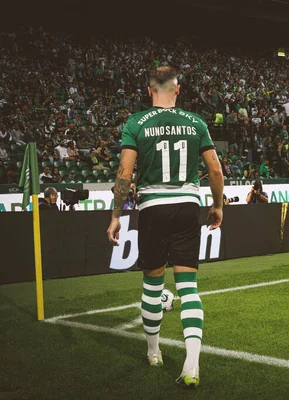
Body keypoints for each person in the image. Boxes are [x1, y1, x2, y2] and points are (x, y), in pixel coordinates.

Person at [106, 66, 224, 388]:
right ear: (178, 89)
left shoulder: (135, 123)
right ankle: (191, 364)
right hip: (187, 206)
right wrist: (217, 206)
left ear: (149, 91)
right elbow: (215, 169)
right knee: (188, 288)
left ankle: (154, 352)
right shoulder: (196, 122)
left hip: (153, 208)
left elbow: (124, 172)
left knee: (152, 286)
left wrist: (117, 214)